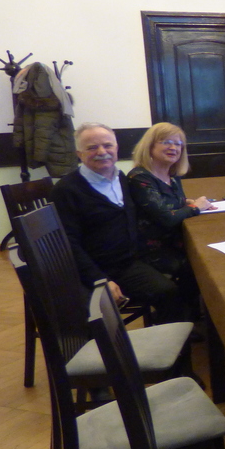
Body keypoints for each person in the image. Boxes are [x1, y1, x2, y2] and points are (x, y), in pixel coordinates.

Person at [51, 122, 184, 322]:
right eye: (92, 147)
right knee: (168, 293)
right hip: (101, 269)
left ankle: (184, 326)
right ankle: (171, 338)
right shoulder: (66, 190)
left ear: (116, 148)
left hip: (132, 259)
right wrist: (100, 280)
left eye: (108, 145)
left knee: (190, 269)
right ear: (79, 154)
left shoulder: (121, 178)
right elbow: (68, 244)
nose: (102, 152)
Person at [128, 123, 215, 316]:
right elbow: (166, 218)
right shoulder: (139, 177)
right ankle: (183, 316)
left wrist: (186, 203)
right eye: (166, 142)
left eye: (178, 144)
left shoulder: (172, 176)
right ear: (150, 145)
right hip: (153, 250)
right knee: (203, 263)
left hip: (174, 241)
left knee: (209, 254)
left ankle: (195, 313)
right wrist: (195, 207)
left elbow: (169, 204)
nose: (173, 148)